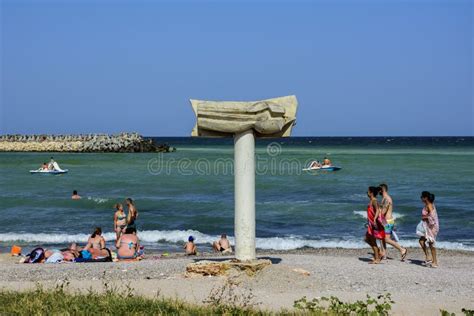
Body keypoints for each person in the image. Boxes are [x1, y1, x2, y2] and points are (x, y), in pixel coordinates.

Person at [378, 184, 407, 261]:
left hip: (387, 222)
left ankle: (402, 249)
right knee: (382, 238)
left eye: (379, 190)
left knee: (386, 239)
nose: (378, 192)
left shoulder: (386, 199)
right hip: (385, 221)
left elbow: (383, 212)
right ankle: (383, 254)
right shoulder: (384, 198)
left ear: (382, 190)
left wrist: (377, 212)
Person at [418, 191, 439, 268]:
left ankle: (435, 262)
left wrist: (425, 217)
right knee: (421, 241)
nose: (421, 198)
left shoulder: (429, 205)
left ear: (425, 198)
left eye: (422, 197)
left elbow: (432, 219)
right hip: (427, 227)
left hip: (432, 228)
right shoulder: (427, 205)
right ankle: (428, 257)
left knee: (431, 244)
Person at [364, 186, 385, 264]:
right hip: (370, 223)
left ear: (371, 193)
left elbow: (377, 210)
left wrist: (374, 219)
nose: (367, 193)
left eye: (368, 192)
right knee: (366, 239)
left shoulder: (374, 201)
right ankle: (379, 253)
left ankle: (377, 258)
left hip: (373, 224)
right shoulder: (371, 200)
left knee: (372, 241)